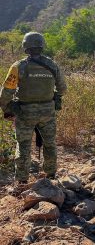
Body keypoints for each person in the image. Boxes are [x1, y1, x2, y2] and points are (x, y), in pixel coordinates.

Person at [0, 32, 67, 184]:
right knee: (49, 143)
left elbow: (5, 94)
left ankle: (22, 181)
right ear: (42, 46)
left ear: (25, 46)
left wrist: (7, 110)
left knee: (23, 145)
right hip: (47, 113)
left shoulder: (18, 66)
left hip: (25, 113)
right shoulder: (52, 65)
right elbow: (62, 89)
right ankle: (50, 176)